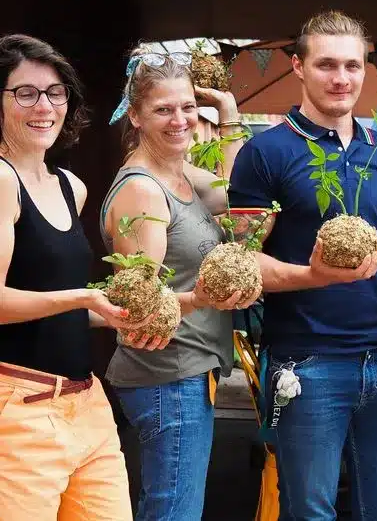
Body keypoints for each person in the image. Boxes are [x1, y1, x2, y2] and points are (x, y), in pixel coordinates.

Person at [228, 10, 377, 521]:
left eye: (353, 66)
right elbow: (242, 264)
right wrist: (314, 276)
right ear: (298, 66)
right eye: (327, 65)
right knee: (310, 512)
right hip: (306, 362)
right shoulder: (264, 153)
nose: (341, 79)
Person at [100, 47, 259, 520]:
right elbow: (141, 306)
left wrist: (228, 113)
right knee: (174, 512)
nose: (180, 120)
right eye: (163, 110)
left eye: (188, 106)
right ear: (136, 115)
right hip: (166, 376)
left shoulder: (181, 175)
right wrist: (203, 297)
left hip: (187, 372)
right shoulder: (143, 188)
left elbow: (240, 199)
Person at [0, 34, 142, 519]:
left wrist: (129, 312)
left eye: (55, 92)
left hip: (86, 404)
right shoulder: (1, 181)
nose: (44, 106)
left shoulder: (70, 186)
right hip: (18, 407)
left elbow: (57, 308)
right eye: (25, 93)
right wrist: (84, 297)